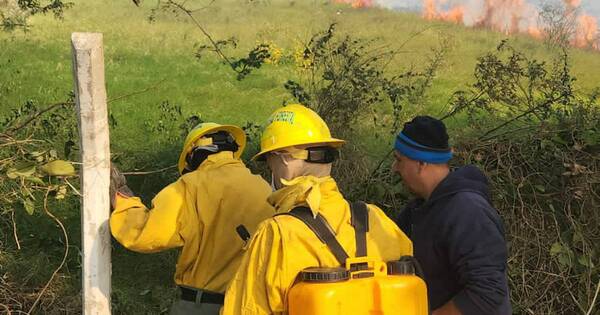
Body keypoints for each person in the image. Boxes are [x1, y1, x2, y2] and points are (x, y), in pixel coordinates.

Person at [222, 104, 414, 314]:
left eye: (269, 160)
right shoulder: (376, 218)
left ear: (284, 158)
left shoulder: (277, 234)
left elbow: (246, 309)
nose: (270, 168)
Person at [109, 122, 274, 315]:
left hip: (203, 305)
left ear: (193, 156)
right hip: (252, 305)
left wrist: (121, 196)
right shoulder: (264, 188)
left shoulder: (189, 188)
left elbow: (144, 234)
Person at [392, 116, 511, 315]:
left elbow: (487, 292)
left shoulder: (468, 211)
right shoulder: (418, 210)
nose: (394, 168)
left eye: (399, 160)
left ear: (421, 163)